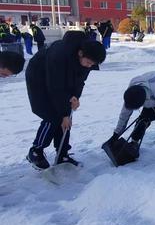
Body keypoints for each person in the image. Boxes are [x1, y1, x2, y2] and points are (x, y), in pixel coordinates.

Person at [25, 31, 106, 169]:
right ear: (80, 53)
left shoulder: (88, 59)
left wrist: (75, 97)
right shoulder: (59, 55)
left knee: (67, 116)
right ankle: (35, 151)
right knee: (53, 116)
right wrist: (63, 114)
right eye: (88, 62)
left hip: (59, 80)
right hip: (40, 76)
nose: (89, 66)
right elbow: (55, 87)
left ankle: (62, 154)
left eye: (92, 64)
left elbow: (80, 81)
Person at [107, 71, 155, 163]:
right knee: (144, 118)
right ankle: (134, 143)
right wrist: (116, 134)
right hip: (152, 90)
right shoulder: (132, 93)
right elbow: (124, 114)